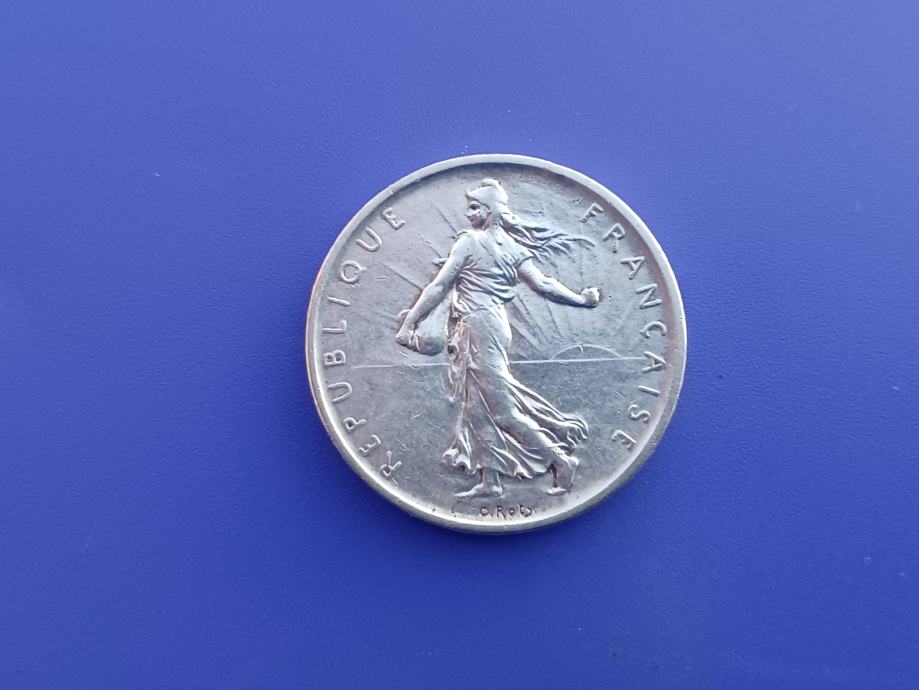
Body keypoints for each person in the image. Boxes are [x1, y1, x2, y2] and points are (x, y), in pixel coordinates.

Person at [396, 178, 601, 498]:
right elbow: (544, 285)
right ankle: (490, 478)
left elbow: (439, 285)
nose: (468, 214)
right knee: (476, 408)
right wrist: (581, 299)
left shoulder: (469, 242)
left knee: (502, 411)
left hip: (478, 327)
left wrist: (409, 323)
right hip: (489, 325)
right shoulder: (514, 249)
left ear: (490, 211)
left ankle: (560, 461)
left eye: (474, 207)